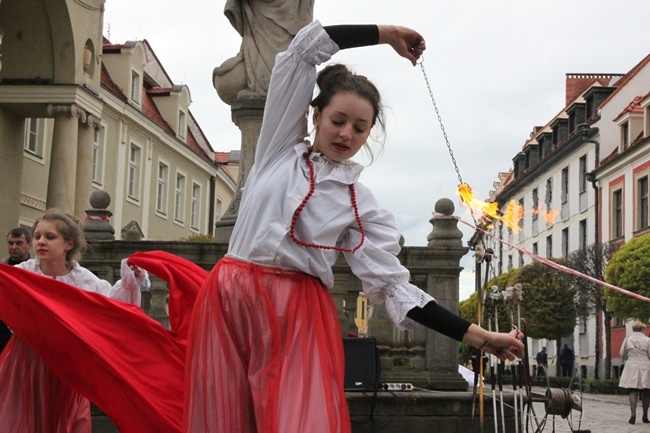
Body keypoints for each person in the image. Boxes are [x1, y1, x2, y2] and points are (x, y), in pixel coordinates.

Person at [185, 20, 524, 433]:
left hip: (296, 313)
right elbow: (304, 49)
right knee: (224, 418)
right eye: (338, 120)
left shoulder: (359, 203)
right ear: (316, 115)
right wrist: (386, 34)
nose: (346, 133)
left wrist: (475, 335)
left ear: (368, 136)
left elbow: (395, 287)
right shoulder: (277, 150)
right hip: (229, 298)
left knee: (297, 423)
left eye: (359, 128)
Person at [0, 208, 147, 432]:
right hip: (27, 361)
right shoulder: (22, 273)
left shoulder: (83, 279)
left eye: (50, 237)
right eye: (38, 236)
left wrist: (131, 279)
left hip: (67, 365)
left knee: (65, 422)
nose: (41, 242)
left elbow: (112, 310)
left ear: (68, 244)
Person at [0, 227, 33, 353]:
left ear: (29, 245)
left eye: (19, 243)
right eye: (10, 243)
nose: (14, 247)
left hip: (24, 327)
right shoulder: (2, 269)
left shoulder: (36, 271)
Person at [618, 320, 650, 425]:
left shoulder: (627, 339)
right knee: (646, 392)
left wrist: (631, 356)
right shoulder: (647, 340)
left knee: (632, 390)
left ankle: (633, 414)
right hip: (645, 365)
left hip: (632, 365)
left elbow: (621, 353)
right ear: (642, 329)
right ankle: (645, 415)